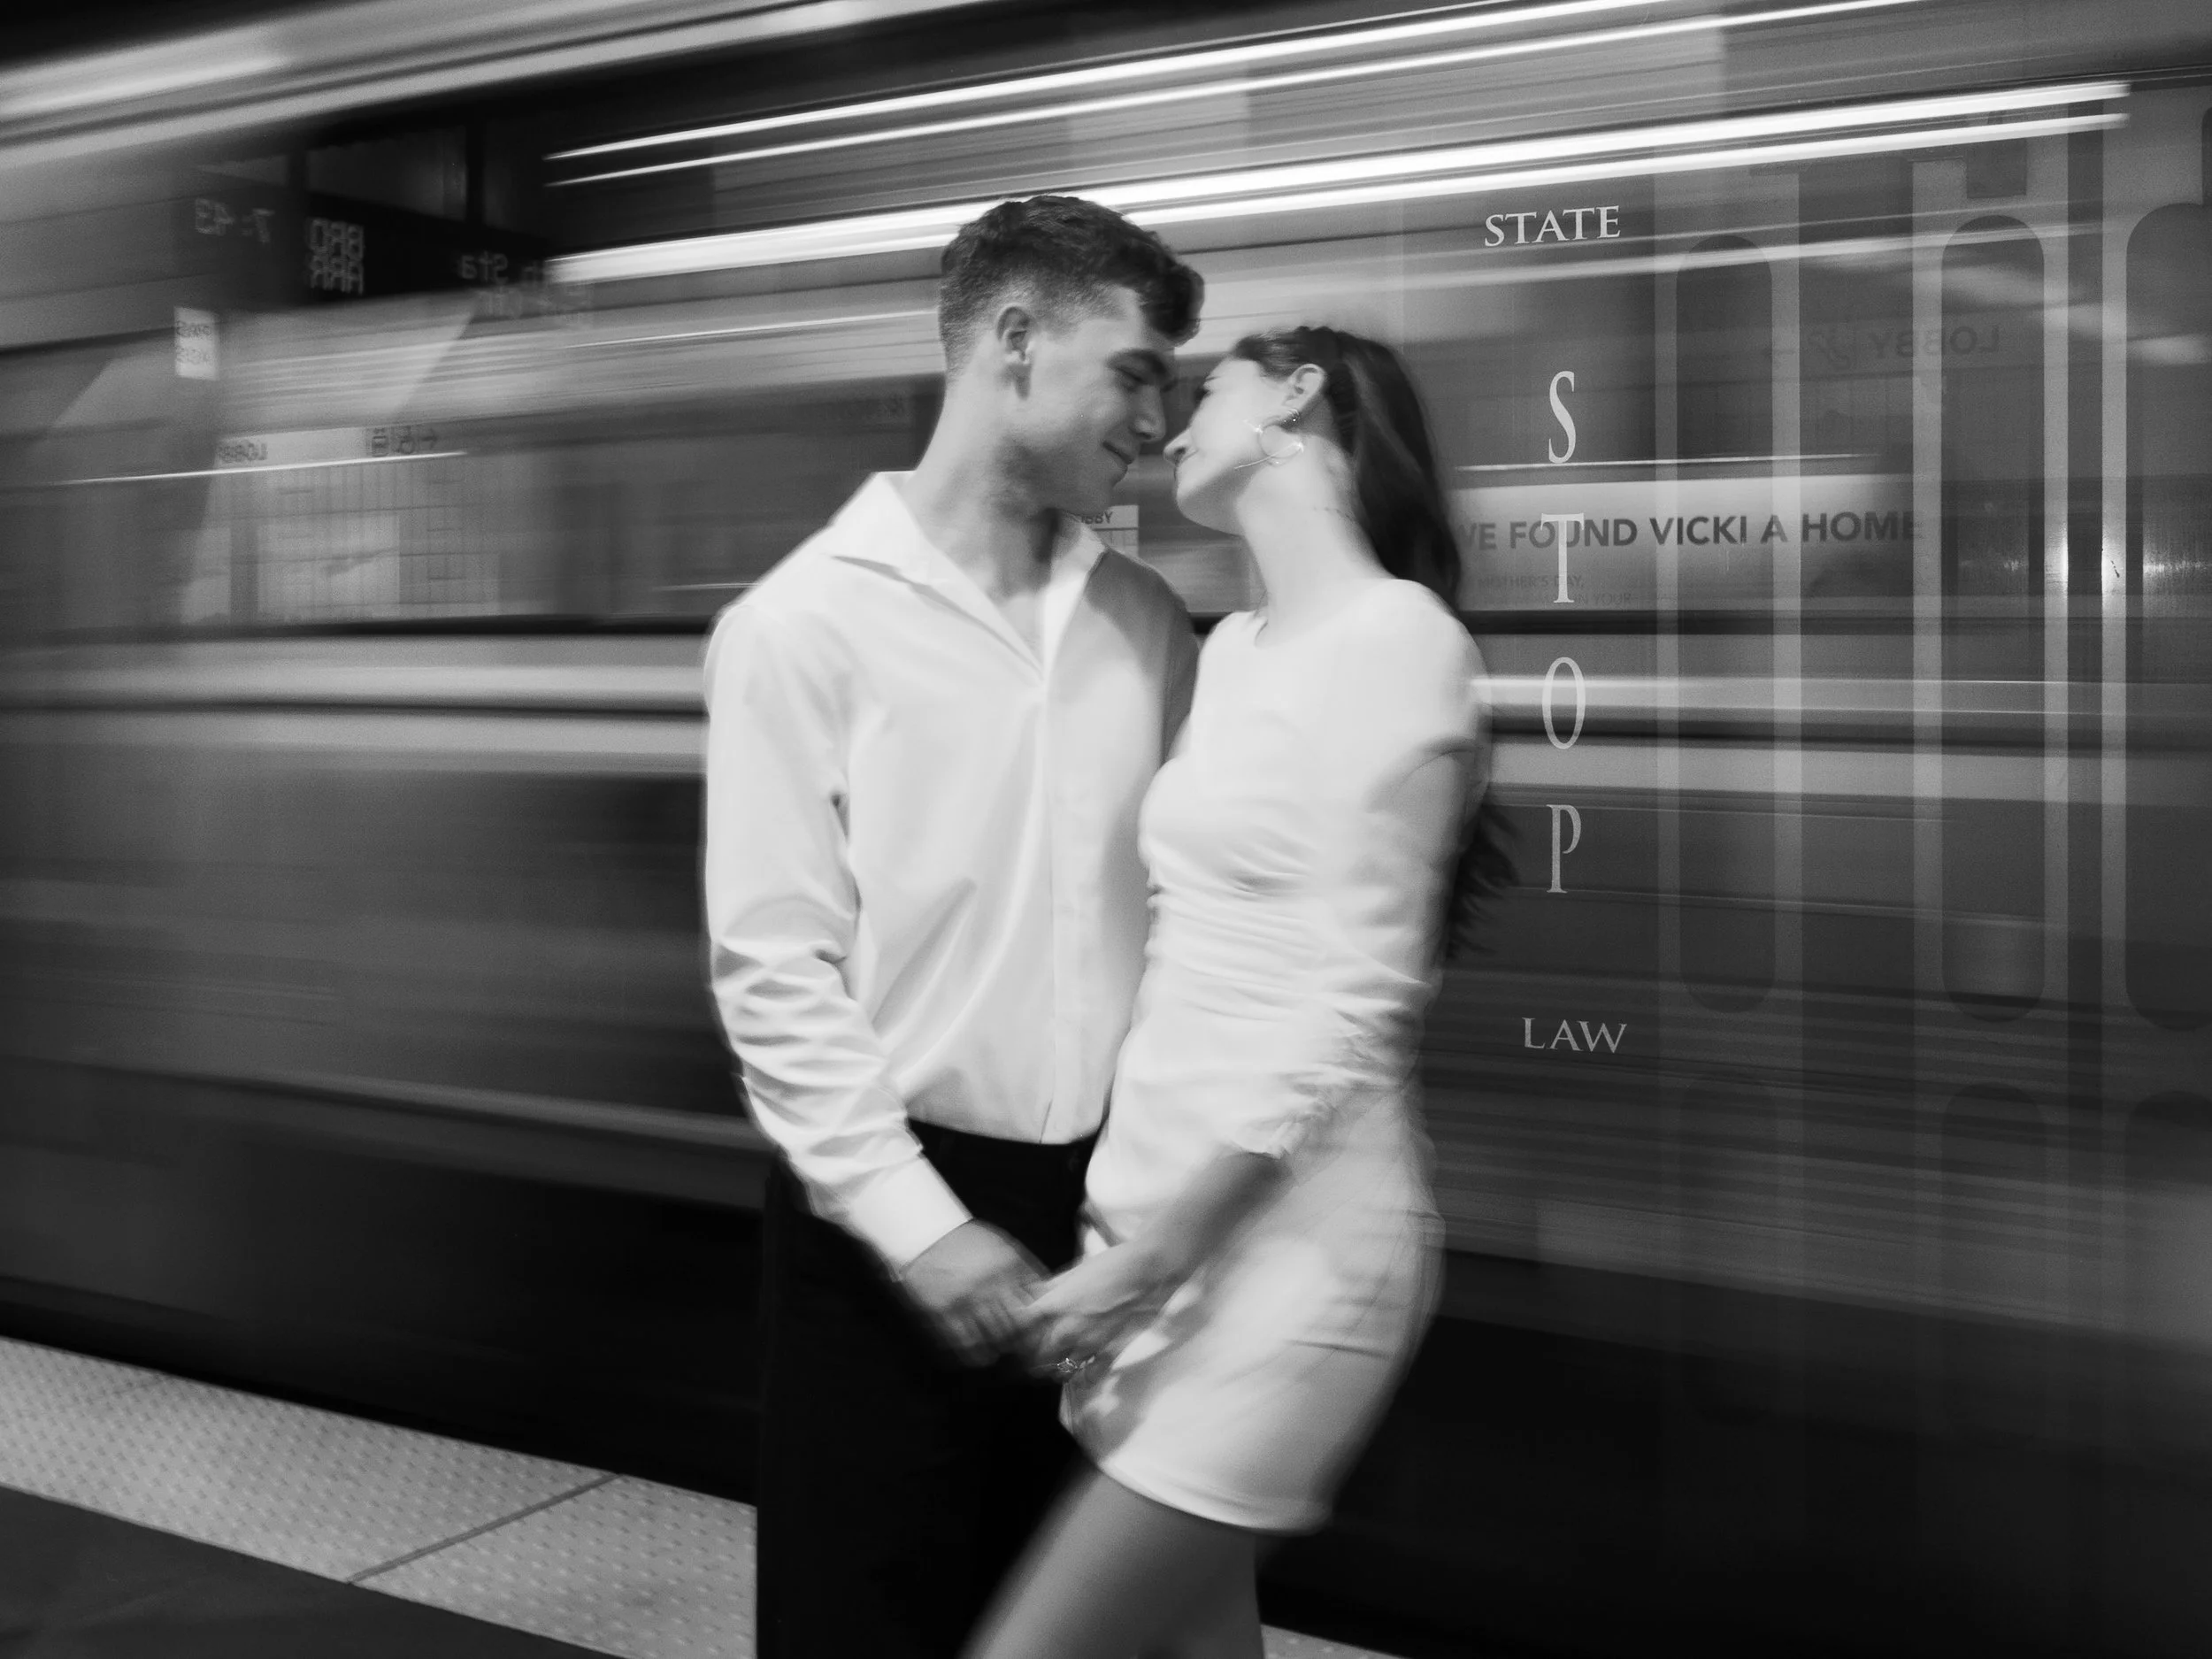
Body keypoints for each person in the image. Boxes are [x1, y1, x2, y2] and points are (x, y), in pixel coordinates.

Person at [701, 196, 1203, 1659]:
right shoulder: (802, 627)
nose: (1157, 421)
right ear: (1015, 339)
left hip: (1101, 1235)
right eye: (1135, 371)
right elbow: (773, 971)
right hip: (887, 1238)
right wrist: (925, 1232)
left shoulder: (1146, 621)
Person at [966, 325, 1503, 1659]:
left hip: (1293, 1263)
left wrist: (1159, 1254)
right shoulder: (1243, 648)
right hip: (1163, 1248)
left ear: (1299, 397)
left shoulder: (1399, 640)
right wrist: (1131, 1240)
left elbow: (1351, 1004)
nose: (1171, 423)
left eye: (1207, 391)